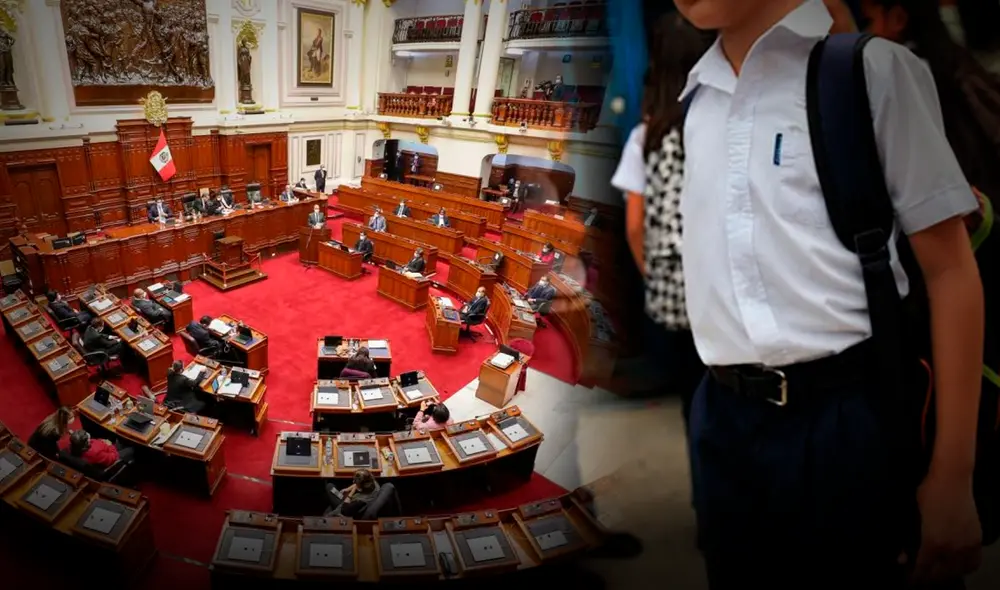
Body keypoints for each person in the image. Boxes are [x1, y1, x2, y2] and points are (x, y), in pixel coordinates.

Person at [674, 0, 983, 587]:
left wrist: (952, 474)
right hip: (723, 421)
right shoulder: (699, 100)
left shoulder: (870, 73)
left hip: (845, 420)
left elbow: (950, 272)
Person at [610, 11, 711, 409]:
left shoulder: (645, 135)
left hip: (672, 288)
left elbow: (635, 226)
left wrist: (653, 276)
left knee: (690, 388)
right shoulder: (713, 124)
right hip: (716, 281)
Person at [859, 0, 1000, 201]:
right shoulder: (954, 62)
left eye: (868, 21)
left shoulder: (903, 75)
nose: (863, 33)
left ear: (898, 19)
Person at [63, 429, 134, 469]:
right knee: (131, 449)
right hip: (112, 456)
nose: (87, 434)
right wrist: (110, 446)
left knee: (120, 441)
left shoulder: (74, 446)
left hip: (105, 448)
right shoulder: (95, 453)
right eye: (87, 437)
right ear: (85, 443)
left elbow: (94, 441)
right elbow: (112, 458)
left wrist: (102, 441)